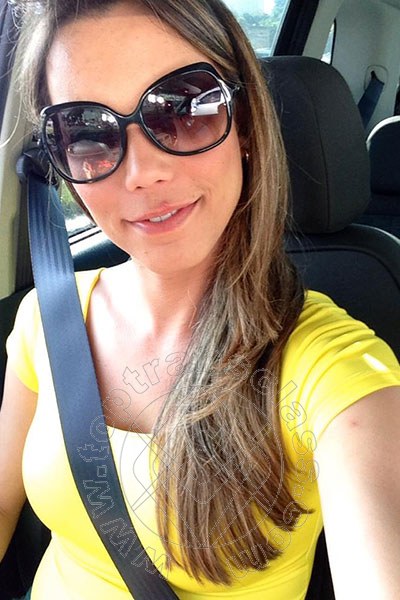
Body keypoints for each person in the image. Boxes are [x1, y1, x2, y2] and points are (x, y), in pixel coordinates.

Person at [1, 1, 400, 599]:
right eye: (85, 131)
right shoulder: (47, 316)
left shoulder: (331, 366)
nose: (142, 172)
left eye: (184, 109)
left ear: (245, 123)